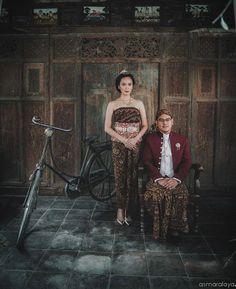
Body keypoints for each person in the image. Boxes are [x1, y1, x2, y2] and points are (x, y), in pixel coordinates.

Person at [104, 70, 148, 225]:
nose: (127, 87)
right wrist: (124, 140)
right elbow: (107, 128)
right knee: (120, 176)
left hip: (135, 144)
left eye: (129, 84)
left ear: (132, 86)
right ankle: (120, 209)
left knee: (133, 176)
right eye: (123, 84)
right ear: (118, 86)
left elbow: (145, 125)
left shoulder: (139, 104)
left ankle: (130, 210)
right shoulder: (113, 104)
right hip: (119, 144)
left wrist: (135, 139)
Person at [142, 108, 192, 240]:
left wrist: (176, 179)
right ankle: (160, 228)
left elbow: (187, 162)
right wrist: (159, 179)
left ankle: (174, 228)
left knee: (181, 194)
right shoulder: (150, 139)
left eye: (168, 120)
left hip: (174, 179)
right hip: (157, 180)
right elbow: (146, 161)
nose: (165, 123)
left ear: (172, 121)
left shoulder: (182, 139)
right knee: (156, 195)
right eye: (161, 120)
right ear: (156, 123)